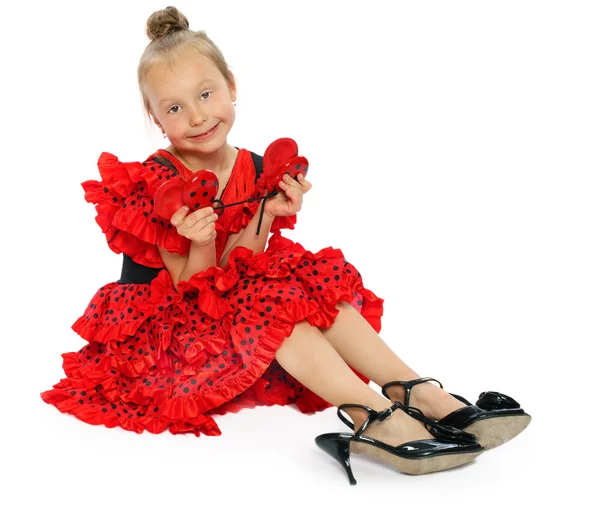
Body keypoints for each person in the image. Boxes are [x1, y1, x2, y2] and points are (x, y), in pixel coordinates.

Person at [40, 6, 530, 485]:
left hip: (224, 311)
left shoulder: (253, 165)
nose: (197, 117)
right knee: (274, 302)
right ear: (155, 118)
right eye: (174, 108)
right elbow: (193, 287)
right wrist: (200, 239)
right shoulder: (159, 179)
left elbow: (244, 269)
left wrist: (267, 214)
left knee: (304, 278)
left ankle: (419, 393)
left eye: (206, 94)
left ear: (231, 86)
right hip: (165, 333)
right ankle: (377, 417)